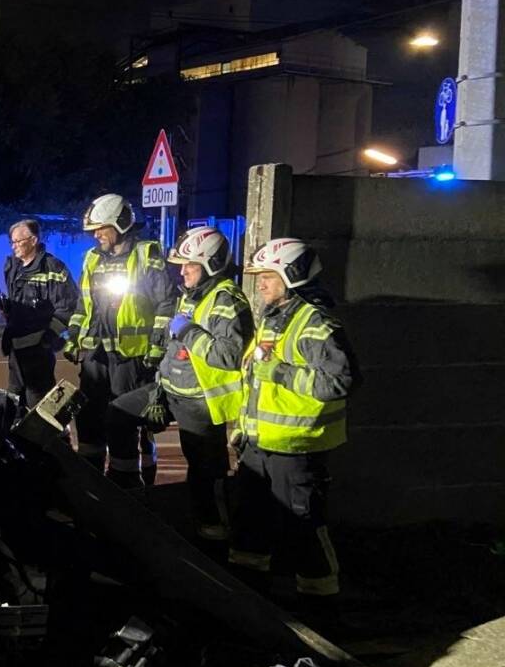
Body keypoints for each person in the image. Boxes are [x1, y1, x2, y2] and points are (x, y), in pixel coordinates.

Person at [228, 238, 359, 610]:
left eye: (268, 276)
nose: (260, 285)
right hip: (260, 445)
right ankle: (247, 599)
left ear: (293, 275)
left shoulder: (315, 322)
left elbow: (342, 380)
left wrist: (281, 373)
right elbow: (256, 382)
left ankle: (320, 607)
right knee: (249, 523)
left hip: (297, 448)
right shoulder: (275, 317)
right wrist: (243, 429)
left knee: (304, 529)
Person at [111, 227, 251, 540]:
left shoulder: (227, 299)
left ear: (211, 265)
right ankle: (127, 486)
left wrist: (188, 331)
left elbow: (228, 355)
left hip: (200, 401)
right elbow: (175, 350)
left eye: (190, 264)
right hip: (172, 391)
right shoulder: (193, 293)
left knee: (205, 473)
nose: (182, 270)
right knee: (118, 414)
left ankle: (215, 535)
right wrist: (159, 387)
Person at [64, 193, 175, 488]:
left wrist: (157, 346)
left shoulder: (146, 255)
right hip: (96, 354)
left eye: (101, 228)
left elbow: (166, 305)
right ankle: (91, 481)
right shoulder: (92, 258)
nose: (96, 235)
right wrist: (73, 336)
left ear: (120, 224)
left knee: (123, 421)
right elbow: (83, 305)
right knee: (88, 415)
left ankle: (126, 485)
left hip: (131, 358)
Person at [0, 218, 79, 408]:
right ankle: (16, 428)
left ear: (33, 240)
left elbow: (68, 307)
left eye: (18, 241)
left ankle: (50, 429)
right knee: (14, 400)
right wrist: (7, 308)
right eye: (12, 242)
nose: (13, 246)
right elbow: (19, 300)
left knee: (40, 403)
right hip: (16, 348)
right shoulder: (13, 267)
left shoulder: (53, 268)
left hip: (38, 351)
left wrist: (48, 339)